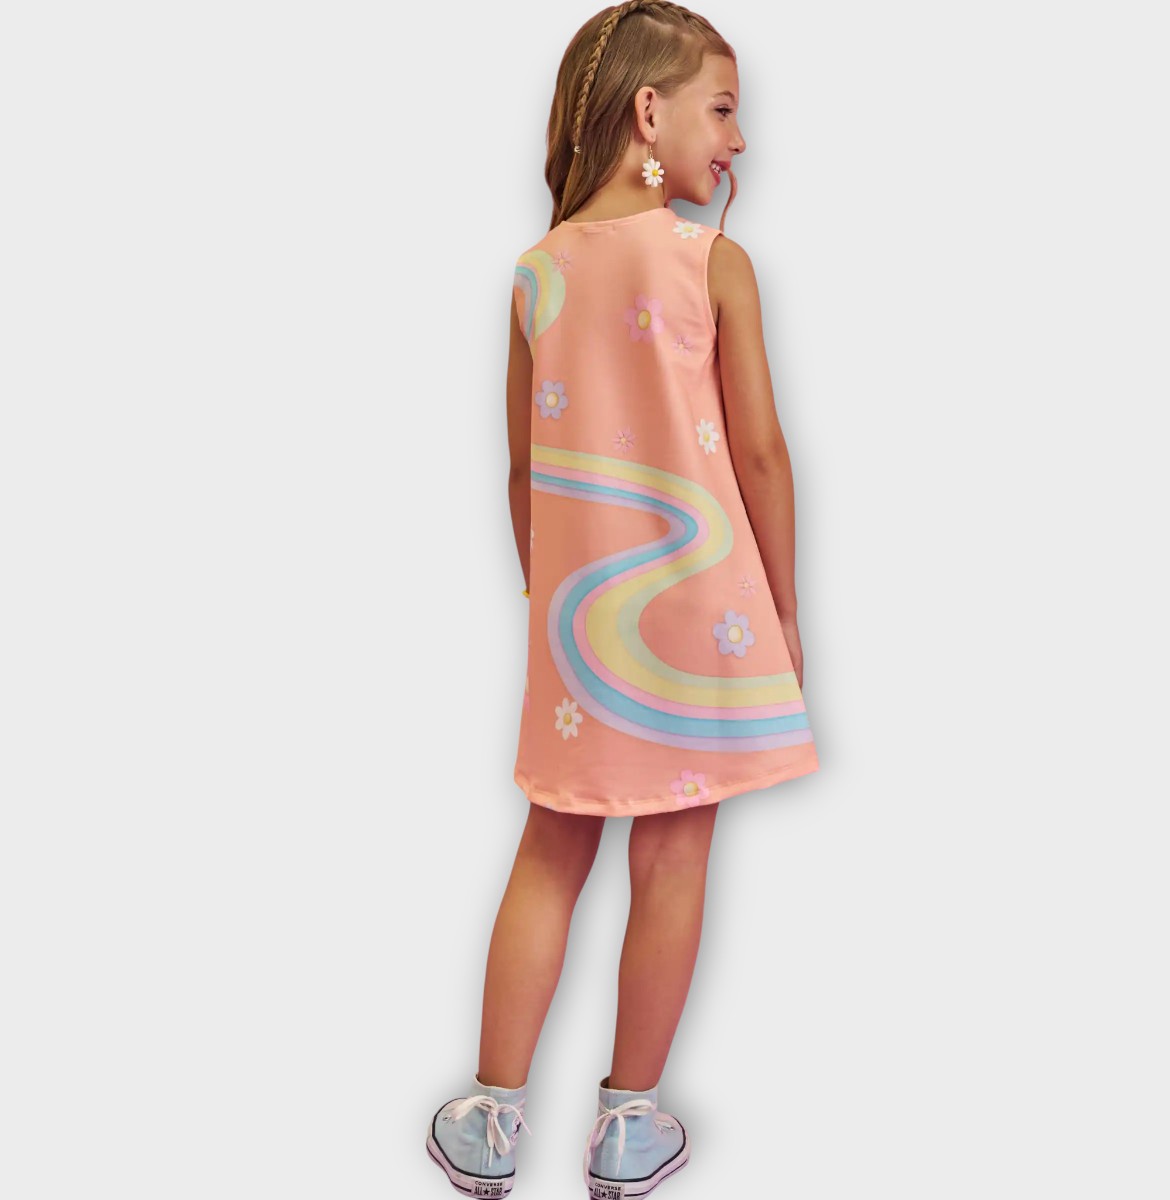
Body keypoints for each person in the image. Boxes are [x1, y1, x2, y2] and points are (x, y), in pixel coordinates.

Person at [426, 3, 819, 1196]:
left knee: (551, 848)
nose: (738, 141)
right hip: (709, 620)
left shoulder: (534, 276)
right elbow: (760, 456)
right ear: (650, 113)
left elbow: (519, 473)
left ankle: (490, 1120)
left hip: (578, 627)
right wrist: (784, 613)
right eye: (723, 109)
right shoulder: (715, 265)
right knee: (674, 860)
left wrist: (550, 603)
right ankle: (627, 1127)